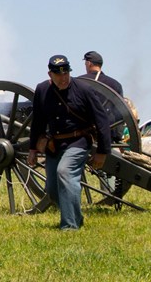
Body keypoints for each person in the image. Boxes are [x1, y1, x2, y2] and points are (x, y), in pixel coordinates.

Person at [28, 54, 111, 230]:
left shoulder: (84, 90)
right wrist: (33, 149)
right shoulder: (42, 90)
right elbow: (38, 122)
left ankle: (69, 226)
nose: (63, 77)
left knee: (64, 172)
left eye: (66, 73)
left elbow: (102, 120)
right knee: (51, 189)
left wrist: (102, 152)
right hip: (55, 145)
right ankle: (76, 217)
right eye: (58, 74)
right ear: (50, 74)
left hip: (79, 142)